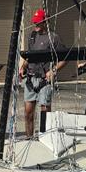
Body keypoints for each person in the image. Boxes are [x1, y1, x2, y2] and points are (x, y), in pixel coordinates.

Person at [18, 8, 66, 137]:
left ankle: (45, 137)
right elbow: (29, 57)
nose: (36, 25)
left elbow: (64, 59)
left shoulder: (54, 38)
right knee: (28, 113)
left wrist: (53, 71)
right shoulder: (32, 36)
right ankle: (29, 137)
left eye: (38, 23)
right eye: (35, 22)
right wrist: (23, 67)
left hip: (45, 79)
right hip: (30, 78)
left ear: (46, 22)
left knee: (45, 111)